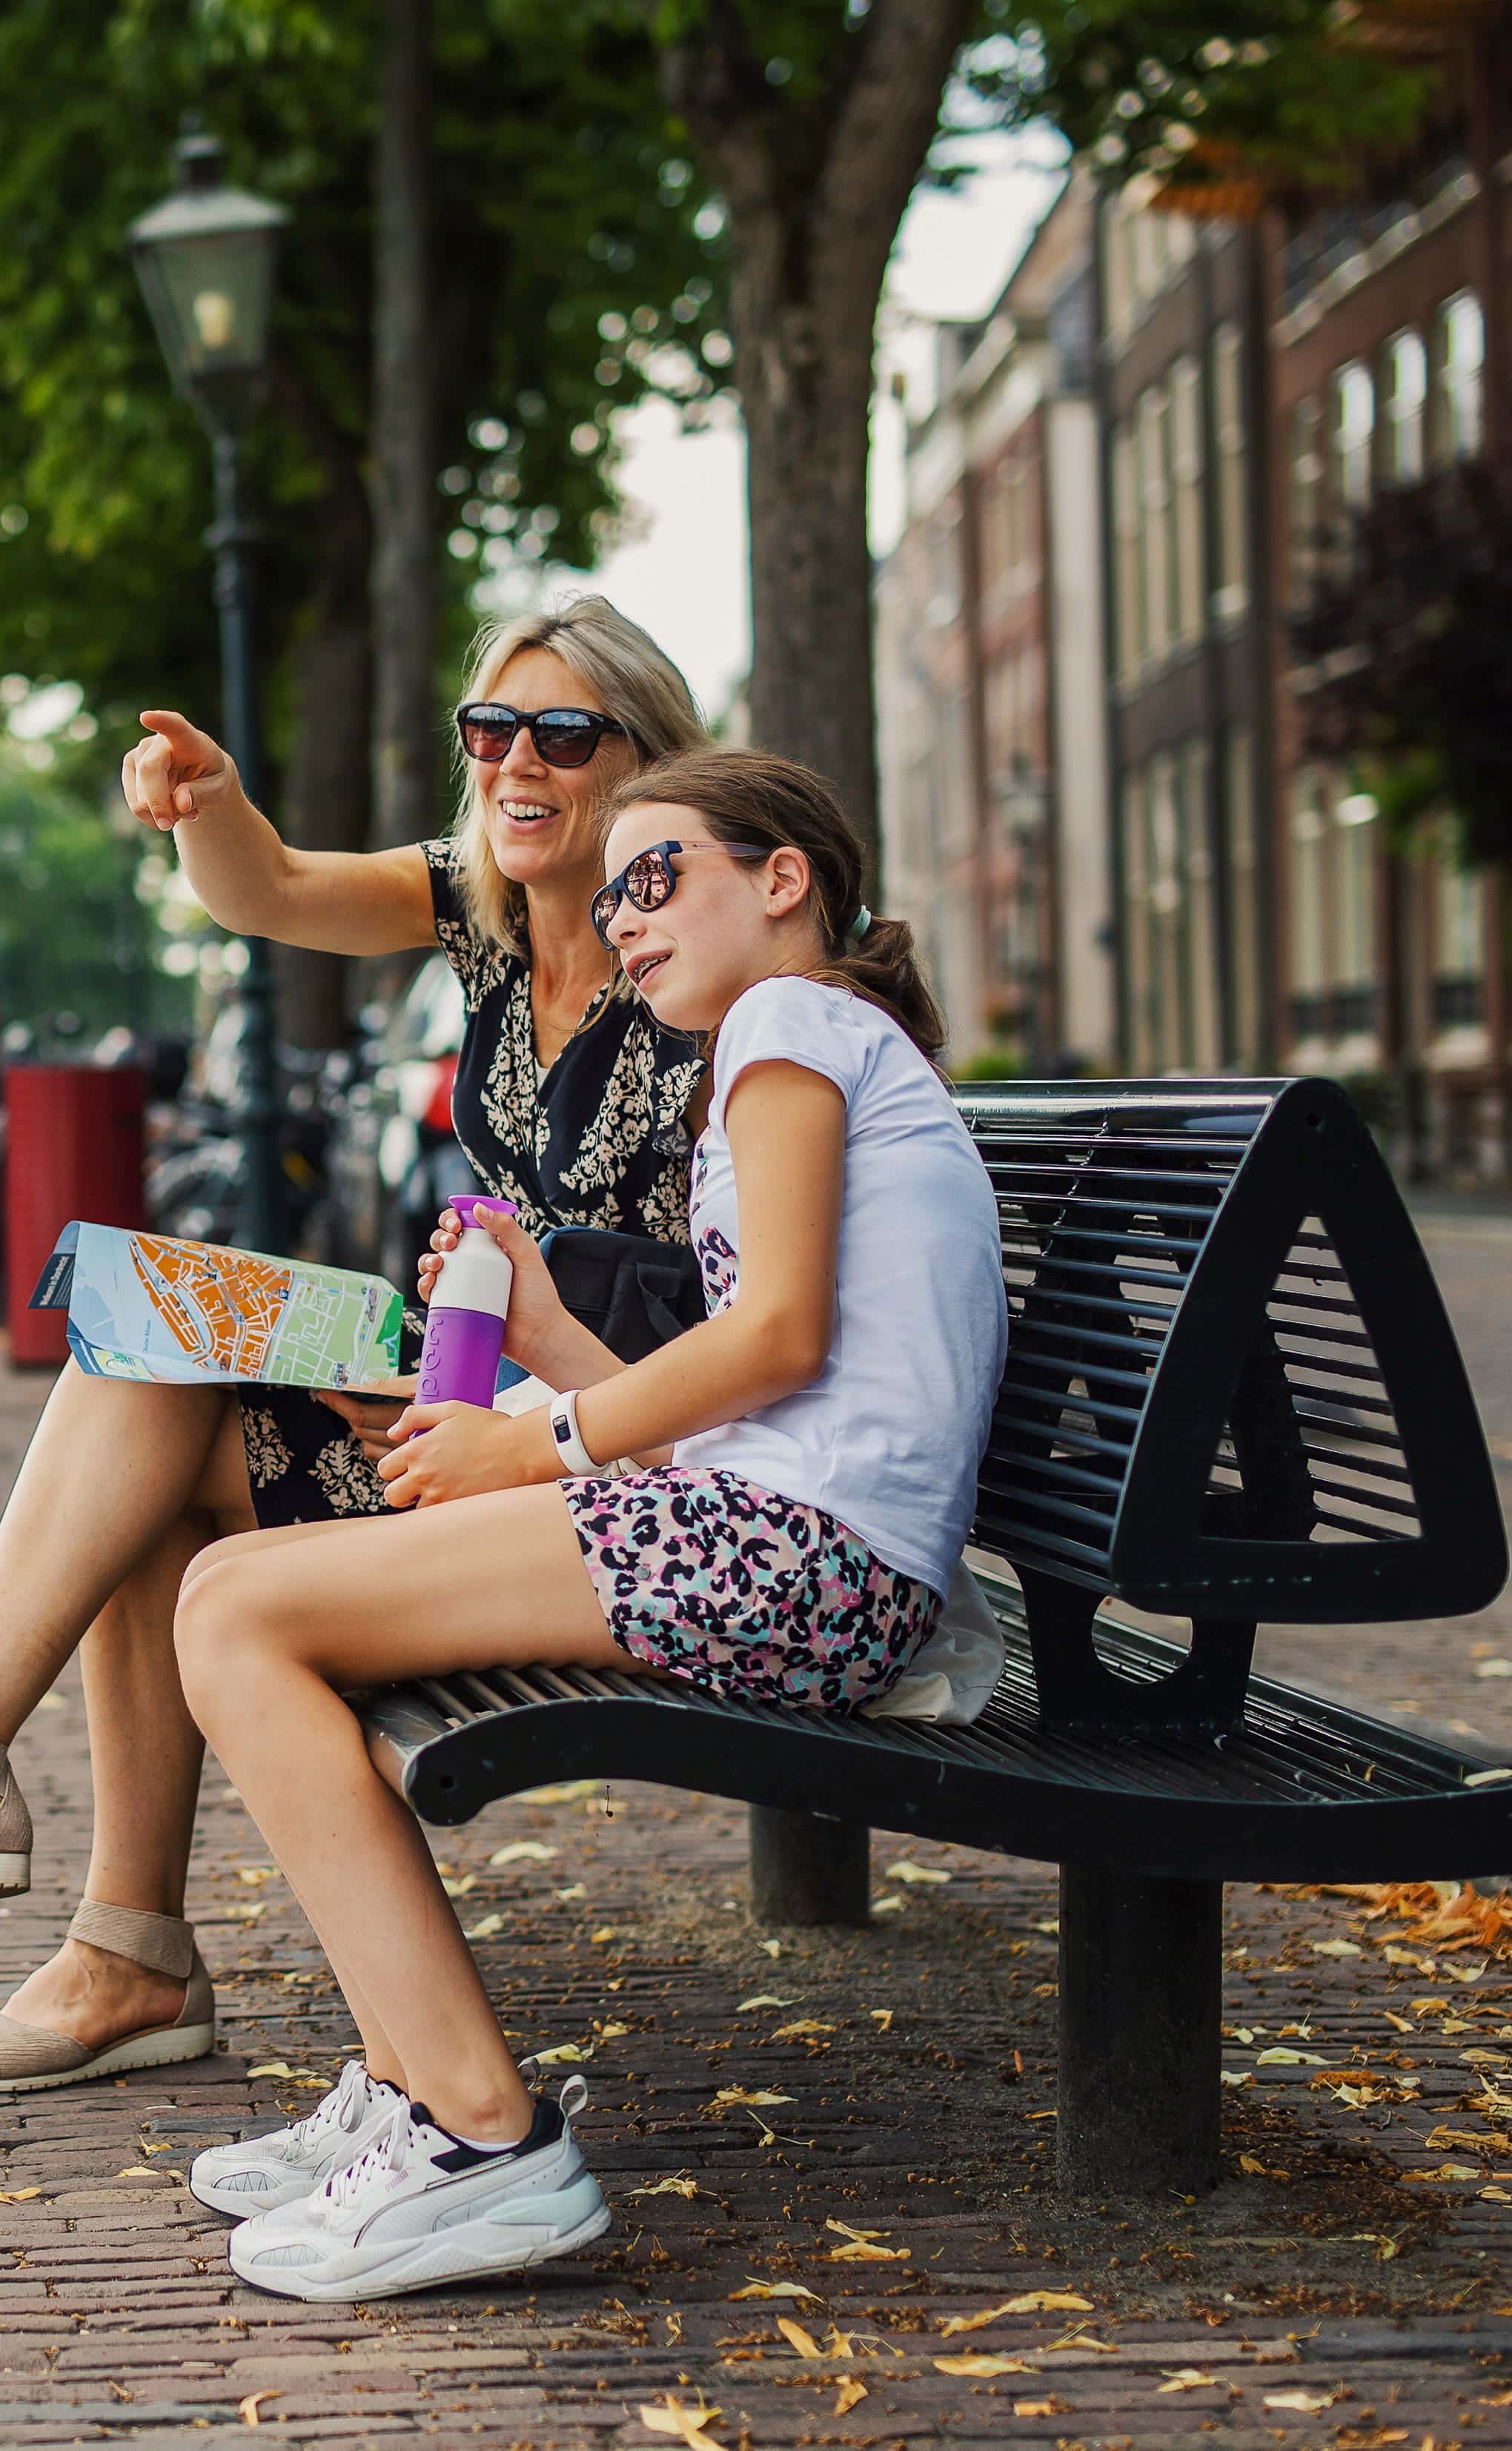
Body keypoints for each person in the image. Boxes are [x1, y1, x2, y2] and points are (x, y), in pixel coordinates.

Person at [0, 595, 710, 2092]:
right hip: (494, 1406)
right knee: (151, 1356)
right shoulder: (485, 910)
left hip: (613, 1462)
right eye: (490, 729)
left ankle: (64, 1879)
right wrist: (212, 802)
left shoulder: (701, 960)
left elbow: (723, 1311)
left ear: (647, 761)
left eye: (563, 734)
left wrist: (481, 1375)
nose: (517, 762)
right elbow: (276, 889)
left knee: (164, 1415)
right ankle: (13, 1820)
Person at [167, 748, 1006, 2301]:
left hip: (801, 1563)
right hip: (784, 1538)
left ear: (783, 878)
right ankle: (413, 2086)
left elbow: (781, 1340)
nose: (621, 917)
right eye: (611, 889)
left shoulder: (791, 1024)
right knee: (237, 1578)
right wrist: (551, 1336)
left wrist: (534, 1441)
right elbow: (775, 1383)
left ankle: (479, 2134)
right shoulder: (795, 1046)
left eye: (657, 872)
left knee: (231, 1611)